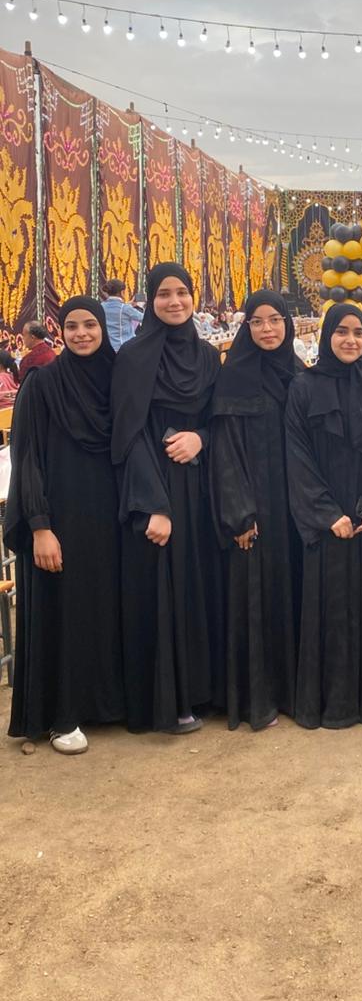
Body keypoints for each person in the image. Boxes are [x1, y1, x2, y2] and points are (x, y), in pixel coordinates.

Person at [4, 298, 124, 753]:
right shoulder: (43, 384)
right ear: (60, 331)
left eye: (90, 324)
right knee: (65, 612)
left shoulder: (117, 381)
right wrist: (39, 526)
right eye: (72, 326)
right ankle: (62, 715)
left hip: (110, 521)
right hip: (59, 521)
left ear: (103, 328)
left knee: (105, 609)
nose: (82, 333)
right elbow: (27, 458)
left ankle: (108, 705)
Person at [110, 263, 223, 734]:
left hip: (198, 486)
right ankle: (166, 701)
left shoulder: (208, 357)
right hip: (153, 487)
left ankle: (200, 691)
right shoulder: (133, 357)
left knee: (198, 583)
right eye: (164, 294)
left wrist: (200, 438)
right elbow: (127, 433)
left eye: (182, 292)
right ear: (150, 300)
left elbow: (220, 419)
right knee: (161, 588)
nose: (174, 302)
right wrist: (154, 503)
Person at [286, 303, 362, 728]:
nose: (351, 340)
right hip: (330, 521)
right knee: (332, 609)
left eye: (358, 332)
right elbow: (297, 455)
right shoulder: (304, 388)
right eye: (341, 331)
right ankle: (335, 702)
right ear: (327, 336)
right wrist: (326, 513)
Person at [209, 290, 302, 731]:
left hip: (295, 509)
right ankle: (258, 699)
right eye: (258, 321)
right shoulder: (235, 377)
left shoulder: (299, 373)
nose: (268, 329)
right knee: (257, 597)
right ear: (246, 327)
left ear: (287, 323)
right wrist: (240, 513)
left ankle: (294, 691)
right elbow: (225, 450)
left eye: (275, 320)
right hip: (256, 511)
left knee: (293, 593)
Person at [101, 278, 144, 350]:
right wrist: (142, 306)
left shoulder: (102, 306)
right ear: (122, 292)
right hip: (124, 348)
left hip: (108, 348)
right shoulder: (125, 308)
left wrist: (129, 305)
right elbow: (143, 318)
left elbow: (117, 310)